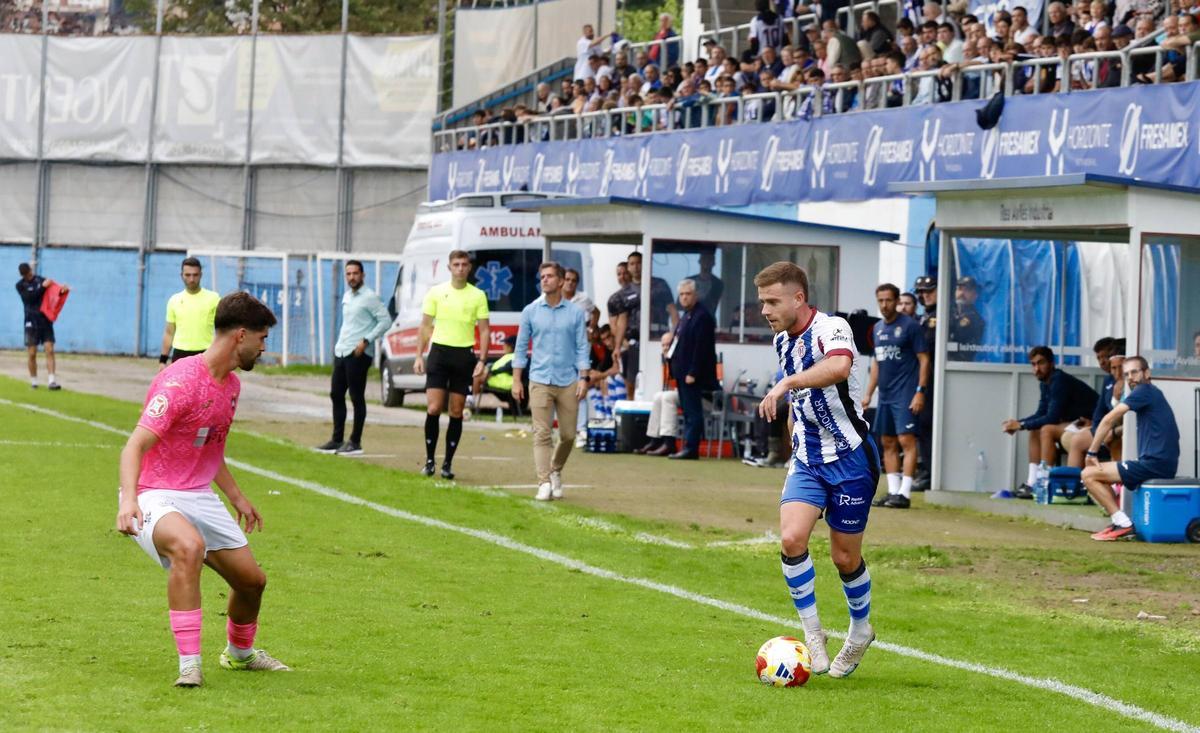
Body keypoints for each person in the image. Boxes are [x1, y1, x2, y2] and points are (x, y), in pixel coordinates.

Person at [115, 292, 288, 688]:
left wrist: (236, 496)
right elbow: (134, 445)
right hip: (152, 492)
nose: (264, 348)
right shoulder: (179, 382)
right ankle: (189, 665)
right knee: (189, 548)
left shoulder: (231, 387)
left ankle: (241, 655)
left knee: (252, 582)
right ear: (240, 335)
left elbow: (208, 446)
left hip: (198, 494)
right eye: (262, 339)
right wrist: (128, 501)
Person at [755, 261, 879, 680]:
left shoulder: (833, 328)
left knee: (845, 558)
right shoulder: (781, 342)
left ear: (798, 298)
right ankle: (813, 633)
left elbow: (839, 367)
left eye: (772, 301)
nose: (765, 310)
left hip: (850, 458)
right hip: (808, 457)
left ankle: (860, 631)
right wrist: (793, 433)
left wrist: (785, 385)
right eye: (762, 302)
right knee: (791, 538)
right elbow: (803, 401)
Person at [512, 261, 590, 502]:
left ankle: (556, 469)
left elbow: (582, 346)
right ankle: (543, 481)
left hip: (567, 380)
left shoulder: (576, 313)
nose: (544, 280)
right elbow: (521, 347)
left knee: (568, 435)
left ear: (560, 280)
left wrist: (584, 378)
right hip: (539, 379)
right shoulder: (530, 311)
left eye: (549, 276)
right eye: (542, 276)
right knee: (541, 434)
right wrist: (516, 380)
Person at [1083, 356, 1179, 541]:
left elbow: (1108, 419)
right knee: (1097, 475)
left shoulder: (1145, 390)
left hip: (1155, 465)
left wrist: (1092, 452)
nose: (1130, 377)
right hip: (1156, 463)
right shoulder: (1149, 393)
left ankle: (1123, 524)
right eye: (1126, 374)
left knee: (1089, 473)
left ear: (1147, 373)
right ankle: (1120, 519)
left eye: (1134, 372)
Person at [415, 250, 491, 480]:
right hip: (439, 352)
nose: (460, 268)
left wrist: (482, 360)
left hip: (463, 355)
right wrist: (419, 355)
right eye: (456, 264)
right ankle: (430, 460)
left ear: (469, 268)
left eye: (464, 264)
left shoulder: (478, 295)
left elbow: (485, 329)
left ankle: (447, 462)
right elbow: (425, 325)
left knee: (456, 410)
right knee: (434, 408)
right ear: (449, 267)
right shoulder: (436, 292)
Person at [314, 260, 391, 456]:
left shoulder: (370, 296)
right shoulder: (347, 296)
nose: (352, 277)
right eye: (348, 274)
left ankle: (355, 441)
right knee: (336, 394)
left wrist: (366, 340)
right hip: (342, 350)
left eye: (355, 273)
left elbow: (385, 321)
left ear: (363, 275)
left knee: (356, 397)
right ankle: (337, 439)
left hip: (358, 353)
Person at [862, 283, 929, 509]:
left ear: (897, 300)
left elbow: (924, 360)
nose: (884, 305)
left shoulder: (910, 326)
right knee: (887, 441)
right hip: (886, 396)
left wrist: (920, 391)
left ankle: (905, 493)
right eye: (880, 300)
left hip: (906, 393)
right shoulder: (878, 328)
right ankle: (892, 492)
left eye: (888, 300)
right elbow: (876, 364)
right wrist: (868, 394)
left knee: (906, 441)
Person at [1002, 346, 1099, 499]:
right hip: (1074, 424)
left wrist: (1020, 425)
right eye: (1033, 364)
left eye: (1041, 363)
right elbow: (1041, 413)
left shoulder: (1059, 380)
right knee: (1035, 429)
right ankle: (1033, 483)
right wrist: (1019, 423)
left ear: (1052, 363)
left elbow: (1052, 417)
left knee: (1046, 429)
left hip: (1091, 425)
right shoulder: (1045, 383)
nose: (1037, 368)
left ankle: (1045, 483)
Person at [666, 279, 718, 460]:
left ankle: (691, 447)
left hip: (693, 375)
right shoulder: (686, 315)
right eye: (681, 294)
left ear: (695, 295)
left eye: (688, 294)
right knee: (687, 412)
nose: (684, 297)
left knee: (693, 412)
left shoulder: (702, 316)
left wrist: (693, 372)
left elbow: (701, 348)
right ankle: (687, 447)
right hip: (682, 372)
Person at [16, 262, 69, 390]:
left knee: (49, 349)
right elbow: (29, 299)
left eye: (29, 272)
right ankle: (34, 382)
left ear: (31, 270)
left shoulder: (41, 280)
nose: (29, 275)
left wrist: (62, 291)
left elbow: (53, 293)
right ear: (22, 275)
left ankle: (52, 381)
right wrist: (42, 288)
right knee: (32, 353)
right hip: (30, 321)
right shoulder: (20, 285)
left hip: (45, 320)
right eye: (26, 274)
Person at [159, 257, 219, 368]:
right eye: (188, 275)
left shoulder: (214, 299)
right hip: (180, 355)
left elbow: (222, 331)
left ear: (201, 275)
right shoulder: (174, 300)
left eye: (195, 275)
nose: (191, 279)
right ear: (181, 275)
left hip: (206, 354)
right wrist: (163, 360)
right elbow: (169, 332)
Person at [913, 275, 938, 490]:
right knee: (922, 427)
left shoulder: (945, 316)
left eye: (929, 290)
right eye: (921, 292)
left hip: (939, 379)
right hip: (924, 380)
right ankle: (927, 470)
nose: (925, 295)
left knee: (930, 426)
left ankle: (931, 473)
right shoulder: (923, 318)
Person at [948, 275, 985, 361]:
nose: (961, 293)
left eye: (967, 290)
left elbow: (969, 350)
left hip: (957, 364)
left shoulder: (976, 320)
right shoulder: (947, 312)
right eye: (959, 289)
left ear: (974, 295)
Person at [686, 250, 724, 316]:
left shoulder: (718, 284)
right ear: (699, 261)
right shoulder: (689, 281)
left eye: (709, 259)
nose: (706, 262)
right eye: (704, 259)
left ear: (713, 263)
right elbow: (681, 305)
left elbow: (711, 303)